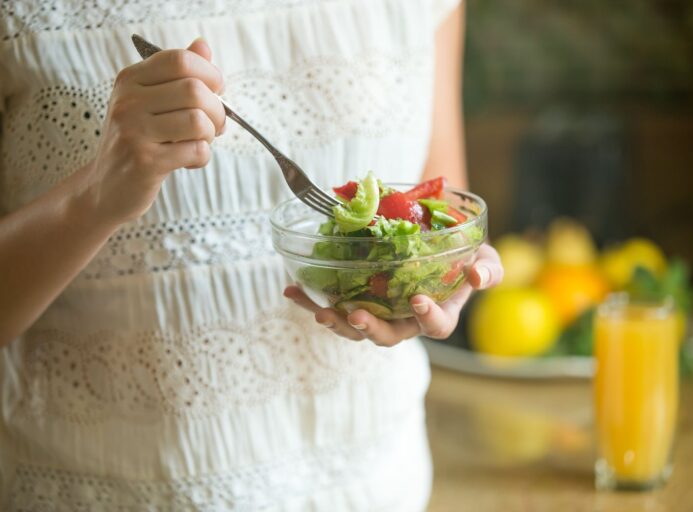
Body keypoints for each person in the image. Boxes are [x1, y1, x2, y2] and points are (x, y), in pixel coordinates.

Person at [0, 0, 502, 509]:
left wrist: (444, 278)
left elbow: (443, 206)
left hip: (374, 481)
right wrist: (95, 198)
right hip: (111, 487)